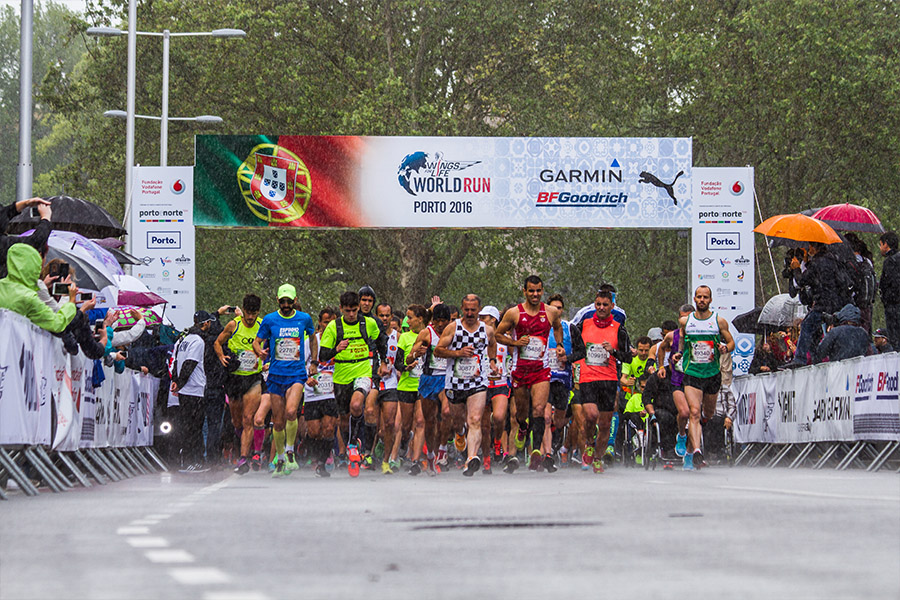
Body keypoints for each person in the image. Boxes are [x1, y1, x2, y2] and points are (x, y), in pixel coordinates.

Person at [495, 275, 566, 473]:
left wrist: (559, 344)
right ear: (524, 291)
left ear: (542, 291)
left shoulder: (550, 312)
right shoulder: (514, 313)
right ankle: (523, 427)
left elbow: (558, 327)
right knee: (521, 413)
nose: (535, 294)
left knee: (539, 409)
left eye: (538, 290)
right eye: (531, 291)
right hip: (520, 370)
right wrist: (515, 343)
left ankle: (536, 451)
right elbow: (498, 334)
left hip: (541, 370)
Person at [318, 290, 387, 477]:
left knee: (357, 405)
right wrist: (336, 349)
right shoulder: (333, 327)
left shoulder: (368, 323)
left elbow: (381, 342)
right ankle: (348, 444)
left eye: (354, 310)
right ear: (341, 309)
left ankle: (353, 445)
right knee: (343, 419)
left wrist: (383, 362)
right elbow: (322, 356)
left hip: (362, 370)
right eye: (347, 311)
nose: (351, 314)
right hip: (341, 376)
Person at [253, 284, 316, 477]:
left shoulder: (304, 318)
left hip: (296, 374)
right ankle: (280, 459)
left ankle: (290, 451)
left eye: (289, 301)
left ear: (295, 300)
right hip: (275, 375)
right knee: (278, 422)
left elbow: (313, 338)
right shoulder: (270, 319)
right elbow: (256, 341)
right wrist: (259, 351)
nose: (286, 304)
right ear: (278, 300)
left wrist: (314, 362)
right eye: (283, 301)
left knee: (291, 411)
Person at [434, 294, 499, 476]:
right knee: (458, 421)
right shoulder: (453, 328)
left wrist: (492, 361)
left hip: (478, 381)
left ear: (479, 310)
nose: (470, 313)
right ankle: (460, 433)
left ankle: (471, 459)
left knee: (475, 419)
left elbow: (492, 344)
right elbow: (438, 351)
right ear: (462, 309)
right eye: (467, 310)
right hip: (455, 382)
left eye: (473, 310)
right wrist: (458, 353)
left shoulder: (487, 330)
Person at [570, 290, 632, 473]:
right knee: (590, 415)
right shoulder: (583, 324)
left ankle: (597, 458)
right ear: (594, 304)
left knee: (605, 424)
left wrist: (613, 352)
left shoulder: (619, 328)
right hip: (588, 377)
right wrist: (571, 360)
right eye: (598, 304)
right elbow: (575, 347)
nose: (602, 308)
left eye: (605, 305)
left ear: (612, 306)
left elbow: (628, 357)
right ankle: (590, 443)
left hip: (609, 379)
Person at [678, 285, 735, 470]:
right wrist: (679, 353)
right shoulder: (685, 321)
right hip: (692, 373)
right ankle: (696, 451)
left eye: (705, 297)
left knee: (707, 414)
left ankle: (692, 441)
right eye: (699, 297)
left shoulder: (719, 321)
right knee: (694, 412)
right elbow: (682, 339)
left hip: (712, 374)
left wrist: (725, 348)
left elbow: (731, 342)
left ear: (710, 300)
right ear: (694, 299)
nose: (702, 300)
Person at [214, 294, 266, 474]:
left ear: (258, 312)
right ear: (243, 310)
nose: (250, 317)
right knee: (237, 422)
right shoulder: (233, 325)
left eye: (254, 313)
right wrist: (221, 356)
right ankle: (245, 441)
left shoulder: (263, 325)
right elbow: (217, 343)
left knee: (248, 418)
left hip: (253, 377)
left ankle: (244, 458)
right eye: (248, 313)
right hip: (235, 379)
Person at [789, 242, 854, 366]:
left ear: (814, 247)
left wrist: (796, 268)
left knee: (807, 326)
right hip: (837, 303)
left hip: (823, 303)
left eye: (810, 247)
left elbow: (802, 280)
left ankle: (801, 359)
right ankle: (820, 358)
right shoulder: (834, 259)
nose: (808, 249)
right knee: (821, 331)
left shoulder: (818, 262)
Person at [0, 243, 77, 333]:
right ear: (35, 266)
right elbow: (57, 323)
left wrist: (42, 286)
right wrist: (71, 302)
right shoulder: (29, 298)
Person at [170, 312, 211, 473]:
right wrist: (180, 383)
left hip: (185, 390)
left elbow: (176, 361)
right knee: (195, 427)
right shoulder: (198, 341)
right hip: (194, 389)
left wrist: (175, 380)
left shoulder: (184, 339)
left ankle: (189, 460)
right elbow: (190, 363)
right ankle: (193, 461)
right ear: (205, 323)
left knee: (187, 426)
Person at [303, 308, 338, 477]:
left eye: (332, 322)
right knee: (314, 431)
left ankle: (322, 463)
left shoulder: (340, 342)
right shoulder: (311, 341)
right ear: (319, 323)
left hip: (331, 392)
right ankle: (315, 454)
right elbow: (300, 362)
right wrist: (306, 378)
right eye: (325, 322)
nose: (328, 325)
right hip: (313, 391)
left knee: (329, 428)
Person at [395, 304, 429, 475]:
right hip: (406, 385)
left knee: (421, 422)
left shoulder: (430, 335)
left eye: (410, 317)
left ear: (420, 319)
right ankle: (404, 443)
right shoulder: (404, 337)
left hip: (423, 386)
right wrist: (406, 367)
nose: (407, 321)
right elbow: (398, 363)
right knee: (406, 425)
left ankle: (415, 460)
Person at [478, 305, 509, 473]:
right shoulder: (478, 338)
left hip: (500, 384)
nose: (480, 320)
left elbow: (513, 357)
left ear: (494, 319)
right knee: (484, 427)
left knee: (498, 417)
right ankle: (486, 459)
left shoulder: (504, 338)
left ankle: (497, 440)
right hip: (482, 385)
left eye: (484, 317)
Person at [0, 198, 52, 278]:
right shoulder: (3, 244)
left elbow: (3, 215)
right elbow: (35, 241)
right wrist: (46, 218)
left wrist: (25, 203)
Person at [879, 232, 900, 350]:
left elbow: (889, 284)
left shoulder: (890, 261)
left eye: (881, 244)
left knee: (895, 339)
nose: (880, 248)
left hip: (893, 306)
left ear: (886, 244)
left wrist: (886, 300)